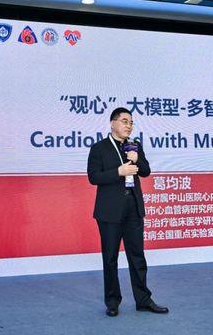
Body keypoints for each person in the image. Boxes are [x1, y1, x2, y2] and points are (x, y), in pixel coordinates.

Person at [87, 107, 169, 317]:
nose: (129, 126)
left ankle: (143, 300)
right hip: (110, 211)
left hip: (133, 208)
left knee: (137, 256)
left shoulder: (135, 146)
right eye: (124, 121)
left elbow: (146, 171)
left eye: (131, 122)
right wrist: (119, 171)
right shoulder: (99, 148)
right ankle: (112, 302)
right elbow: (93, 177)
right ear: (112, 123)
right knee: (110, 258)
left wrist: (136, 158)